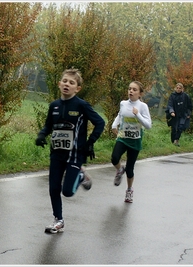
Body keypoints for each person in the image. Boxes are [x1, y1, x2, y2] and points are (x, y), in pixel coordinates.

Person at [35, 68, 105, 234]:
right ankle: (58, 220)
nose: (67, 84)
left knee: (67, 191)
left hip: (75, 154)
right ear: (59, 84)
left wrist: (90, 142)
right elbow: (48, 125)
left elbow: (100, 123)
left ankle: (81, 175)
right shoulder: (54, 106)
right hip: (57, 153)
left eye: (71, 83)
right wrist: (41, 135)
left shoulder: (81, 106)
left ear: (77, 88)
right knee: (53, 188)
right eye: (65, 81)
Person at [111, 81, 152, 203]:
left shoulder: (142, 106)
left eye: (134, 89)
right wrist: (114, 125)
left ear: (140, 93)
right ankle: (119, 170)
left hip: (135, 140)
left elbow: (148, 125)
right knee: (114, 158)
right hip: (123, 137)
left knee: (130, 169)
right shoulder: (123, 103)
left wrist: (138, 115)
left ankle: (129, 190)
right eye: (129, 89)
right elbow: (120, 115)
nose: (131, 91)